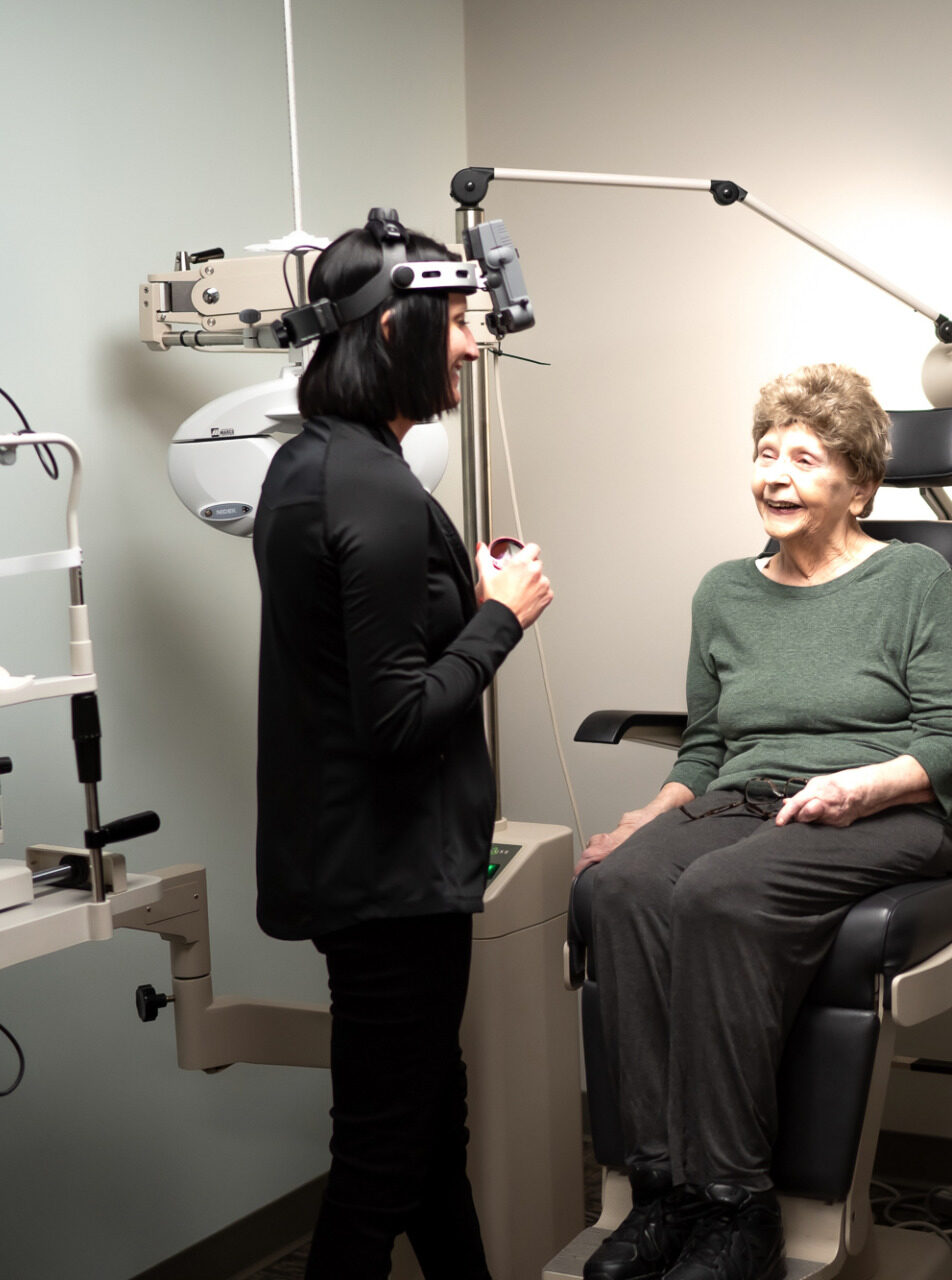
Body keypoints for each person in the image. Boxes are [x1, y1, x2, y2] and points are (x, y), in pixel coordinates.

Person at [577, 364, 952, 1280]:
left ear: (860, 486)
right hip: (746, 800)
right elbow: (706, 745)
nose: (776, 475)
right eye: (766, 455)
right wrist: (646, 819)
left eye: (806, 459)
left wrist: (862, 788)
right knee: (621, 886)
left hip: (890, 810)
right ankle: (661, 1193)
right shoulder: (724, 591)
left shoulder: (914, 577)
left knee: (721, 892)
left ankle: (733, 1208)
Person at [253, 209, 553, 1280]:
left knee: (429, 1143)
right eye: (459, 319)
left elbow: (354, 663)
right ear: (392, 331)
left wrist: (454, 601)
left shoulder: (313, 466)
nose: (472, 340)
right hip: (388, 880)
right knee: (382, 1161)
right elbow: (393, 718)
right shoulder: (372, 491)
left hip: (370, 869)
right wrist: (500, 615)